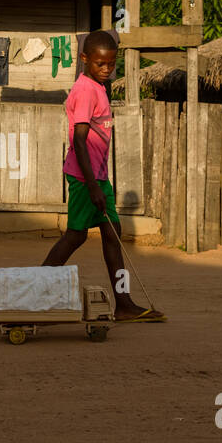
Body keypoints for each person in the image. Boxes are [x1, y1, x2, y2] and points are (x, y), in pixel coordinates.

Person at [41, 30, 165, 322]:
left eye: (111, 64)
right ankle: (36, 285)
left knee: (112, 235)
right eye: (100, 64)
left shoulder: (98, 87)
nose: (107, 69)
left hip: (98, 177)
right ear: (85, 59)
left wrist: (100, 182)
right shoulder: (85, 90)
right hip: (86, 179)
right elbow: (79, 141)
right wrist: (93, 186)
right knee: (75, 236)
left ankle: (123, 303)